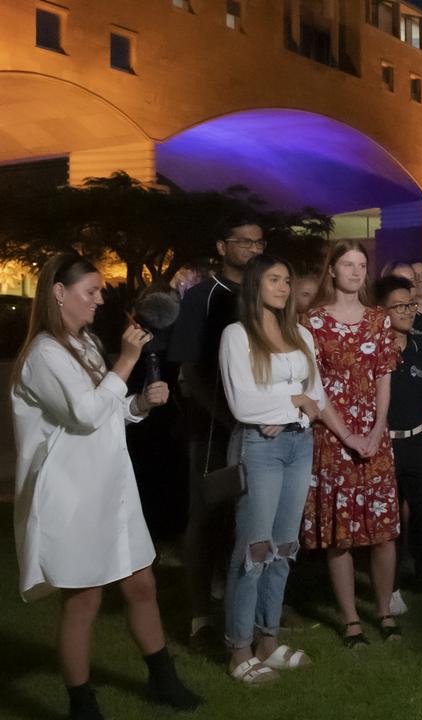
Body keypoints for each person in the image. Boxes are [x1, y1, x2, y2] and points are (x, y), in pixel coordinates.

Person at [12, 254, 202, 719]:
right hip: (74, 494)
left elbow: (109, 412)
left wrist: (139, 402)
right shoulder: (44, 355)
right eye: (91, 291)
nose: (100, 299)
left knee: (141, 583)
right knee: (85, 598)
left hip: (112, 487)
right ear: (59, 292)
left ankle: (163, 678)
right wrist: (129, 360)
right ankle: (82, 703)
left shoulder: (85, 344)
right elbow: (84, 413)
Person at [218, 255, 326, 684]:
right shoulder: (237, 335)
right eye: (274, 280)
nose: (283, 288)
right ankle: (238, 647)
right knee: (254, 548)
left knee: (284, 547)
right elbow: (242, 402)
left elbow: (315, 395)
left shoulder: (300, 334)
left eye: (287, 280)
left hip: (299, 444)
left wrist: (292, 408)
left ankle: (269, 639)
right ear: (255, 286)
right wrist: (293, 402)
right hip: (259, 448)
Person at [167, 215, 264, 647]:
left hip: (261, 425)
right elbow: (188, 367)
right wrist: (227, 417)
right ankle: (200, 617)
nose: (251, 248)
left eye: (258, 242)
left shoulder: (266, 295)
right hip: (212, 427)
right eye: (241, 241)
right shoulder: (202, 298)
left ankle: (257, 611)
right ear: (222, 247)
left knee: (252, 518)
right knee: (205, 518)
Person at [302, 240, 402, 646]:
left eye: (362, 264)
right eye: (348, 264)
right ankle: (350, 620)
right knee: (340, 533)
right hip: (332, 434)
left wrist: (377, 430)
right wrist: (346, 435)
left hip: (374, 434)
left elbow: (383, 377)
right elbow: (314, 387)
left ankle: (383, 611)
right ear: (332, 270)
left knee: (383, 531)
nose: (356, 271)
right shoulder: (312, 322)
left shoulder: (380, 320)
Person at [373, 276, 422, 601]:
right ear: (382, 310)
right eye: (401, 306)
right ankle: (389, 589)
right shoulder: (373, 354)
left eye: (411, 304)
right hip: (383, 447)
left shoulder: (420, 351)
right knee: (388, 521)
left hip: (417, 443)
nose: (409, 311)